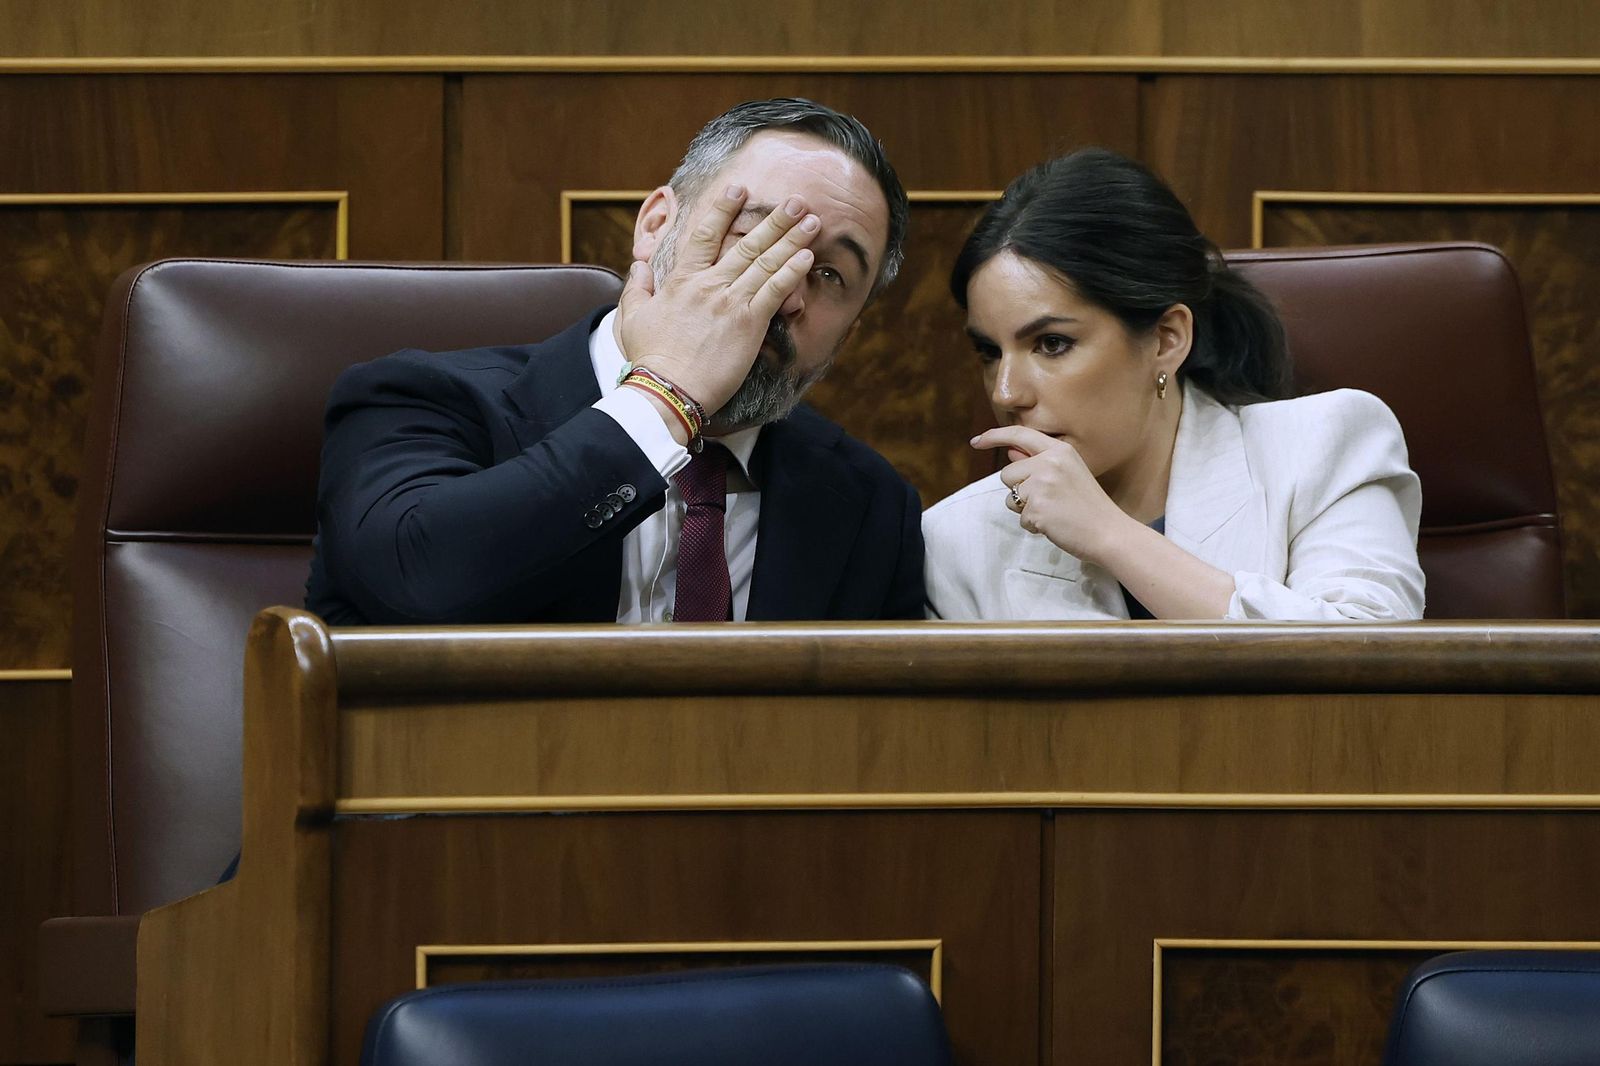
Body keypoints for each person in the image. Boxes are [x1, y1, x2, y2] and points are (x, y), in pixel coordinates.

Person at [305, 98, 922, 624]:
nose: (784, 294)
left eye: (829, 274)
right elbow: (416, 577)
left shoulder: (871, 505)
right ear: (656, 227)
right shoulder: (417, 400)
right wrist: (666, 396)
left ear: (851, 331)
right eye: (752, 237)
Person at [923, 148, 1425, 621]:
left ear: (1166, 340)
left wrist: (1112, 536)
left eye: (1052, 344)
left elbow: (1374, 662)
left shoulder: (1323, 446)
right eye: (989, 352)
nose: (1006, 393)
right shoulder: (956, 539)